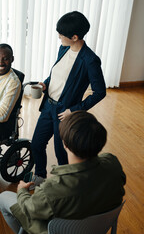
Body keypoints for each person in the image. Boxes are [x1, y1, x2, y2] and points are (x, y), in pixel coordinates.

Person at [0, 111, 126, 234]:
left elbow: (30, 209)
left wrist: (22, 191)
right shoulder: (112, 162)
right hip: (99, 228)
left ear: (64, 144)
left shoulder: (53, 188)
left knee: (3, 197)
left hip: (57, 231)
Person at [30, 11, 107, 188]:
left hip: (65, 112)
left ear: (74, 37)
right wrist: (45, 84)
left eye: (62, 34)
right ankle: (40, 176)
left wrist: (74, 110)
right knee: (36, 144)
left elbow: (100, 92)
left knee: (61, 153)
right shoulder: (63, 49)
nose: (59, 37)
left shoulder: (90, 60)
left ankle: (66, 187)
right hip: (49, 106)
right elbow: (56, 75)